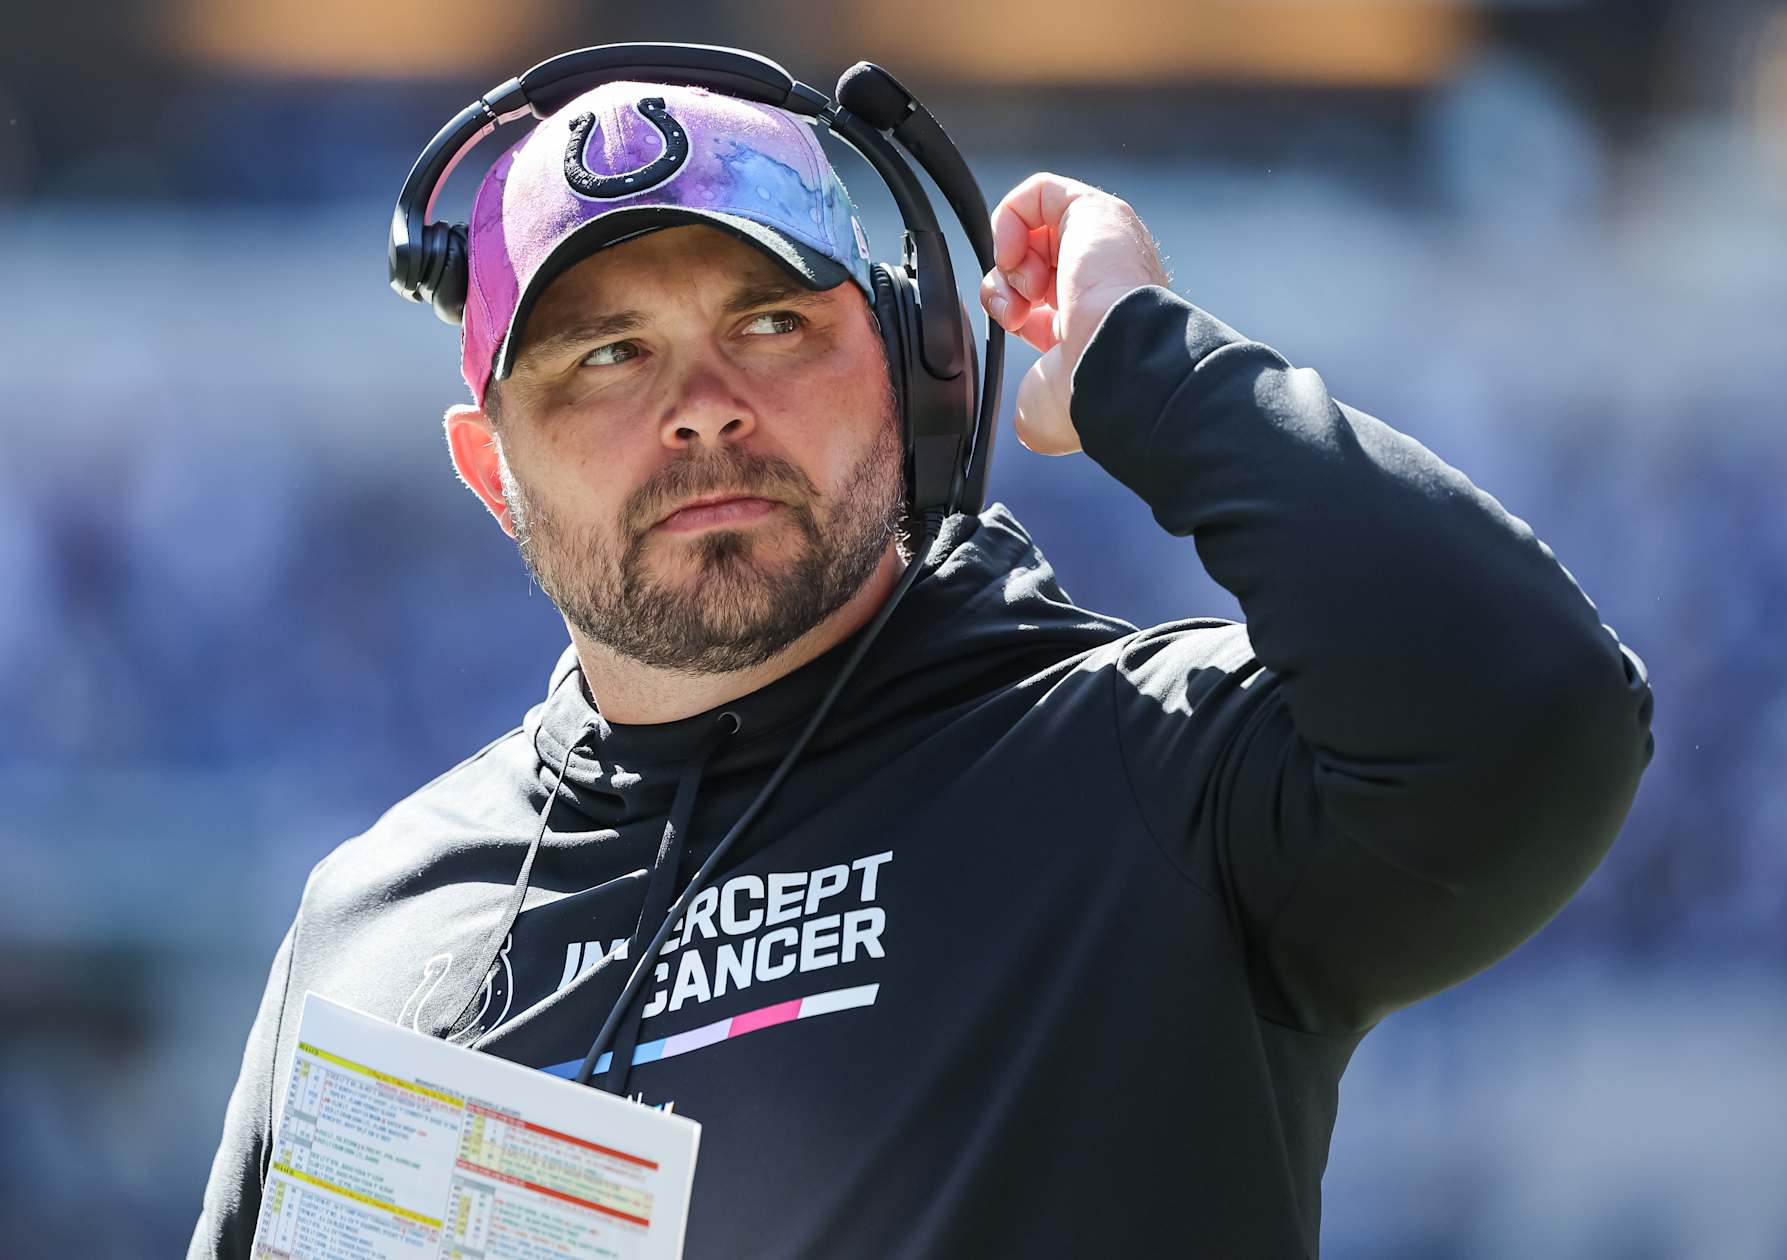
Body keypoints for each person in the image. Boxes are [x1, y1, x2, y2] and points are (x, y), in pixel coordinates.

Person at [191, 73, 1654, 1259]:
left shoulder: (1137, 777)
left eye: (773, 322)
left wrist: (1152, 370)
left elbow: (1537, 706)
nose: (703, 408)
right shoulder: (370, 926)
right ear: (488, 470)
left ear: (918, 378)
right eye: (607, 356)